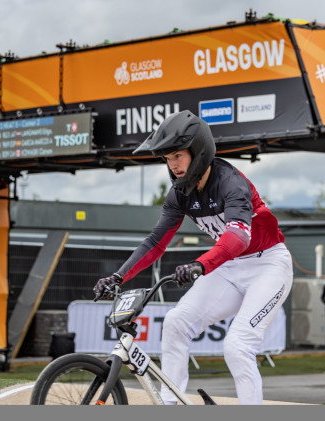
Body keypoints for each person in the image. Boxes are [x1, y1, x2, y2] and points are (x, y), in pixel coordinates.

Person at [93, 110, 293, 405]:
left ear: (198, 152)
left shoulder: (231, 183)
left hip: (268, 265)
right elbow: (155, 242)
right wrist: (118, 276)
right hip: (229, 268)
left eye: (177, 155)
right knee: (175, 322)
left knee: (237, 346)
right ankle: (170, 405)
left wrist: (201, 264)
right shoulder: (179, 194)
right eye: (167, 158)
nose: (172, 165)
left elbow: (238, 238)